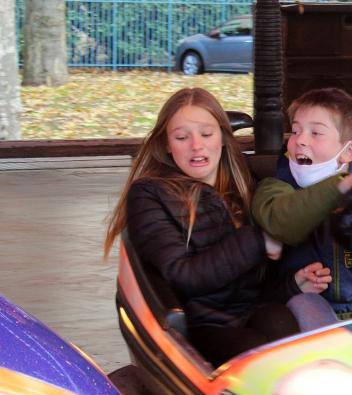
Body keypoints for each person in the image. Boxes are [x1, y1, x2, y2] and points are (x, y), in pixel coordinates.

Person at [103, 87, 337, 366]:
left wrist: (292, 284)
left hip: (250, 312)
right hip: (198, 326)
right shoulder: (151, 195)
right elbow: (183, 275)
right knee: (255, 353)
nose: (196, 146)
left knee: (283, 329)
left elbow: (253, 283)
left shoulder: (241, 185)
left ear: (224, 138)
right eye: (181, 137)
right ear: (166, 143)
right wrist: (259, 241)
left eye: (206, 134)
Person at [252, 88, 352, 319]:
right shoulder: (274, 189)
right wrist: (343, 184)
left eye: (316, 133)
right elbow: (282, 222)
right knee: (306, 305)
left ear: (350, 151)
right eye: (295, 131)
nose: (300, 140)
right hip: (319, 317)